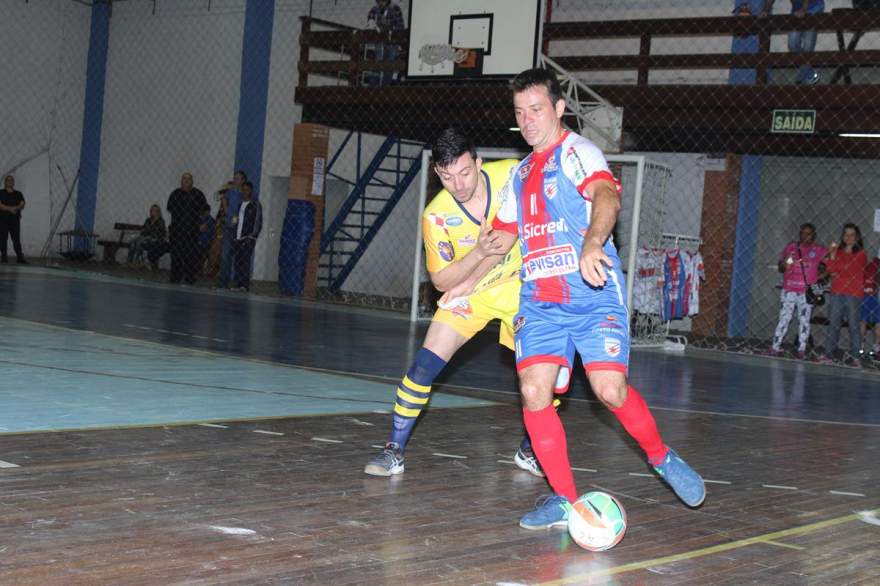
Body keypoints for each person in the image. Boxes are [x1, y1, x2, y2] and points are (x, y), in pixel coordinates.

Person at [447, 68, 706, 529]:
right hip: (541, 304)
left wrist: (592, 242)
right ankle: (565, 499)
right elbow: (500, 242)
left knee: (611, 391)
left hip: (592, 296)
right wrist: (464, 284)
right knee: (532, 392)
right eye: (519, 112)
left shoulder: (579, 152)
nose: (526, 120)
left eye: (536, 110)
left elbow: (606, 196)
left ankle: (661, 457)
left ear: (559, 108)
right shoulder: (521, 175)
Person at [364, 127, 558, 479]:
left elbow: (518, 231)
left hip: (523, 287)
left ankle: (529, 450)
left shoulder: (512, 174)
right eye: (448, 176)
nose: (459, 184)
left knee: (544, 378)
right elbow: (441, 282)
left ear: (479, 161)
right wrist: (478, 254)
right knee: (423, 365)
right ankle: (394, 448)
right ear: (438, 173)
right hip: (472, 294)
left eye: (466, 172)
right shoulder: (435, 216)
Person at [768, 223, 827, 358]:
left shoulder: (818, 250)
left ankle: (802, 349)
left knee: (804, 320)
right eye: (803, 233)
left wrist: (820, 278)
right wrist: (784, 265)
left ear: (814, 235)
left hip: (806, 291)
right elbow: (781, 267)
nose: (805, 236)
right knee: (784, 318)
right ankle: (775, 347)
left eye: (809, 233)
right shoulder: (791, 247)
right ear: (799, 233)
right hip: (789, 289)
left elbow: (830, 265)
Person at [819, 223, 867, 366]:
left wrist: (835, 265)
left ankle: (856, 356)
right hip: (837, 292)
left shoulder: (861, 254)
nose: (848, 237)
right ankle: (828, 353)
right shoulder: (837, 252)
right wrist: (833, 256)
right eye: (846, 234)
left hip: (853, 293)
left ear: (857, 237)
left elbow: (847, 269)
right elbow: (829, 269)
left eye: (852, 234)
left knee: (854, 326)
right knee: (834, 324)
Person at [761, 1, 825, 84]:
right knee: (792, 44)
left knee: (808, 46)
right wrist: (765, 10)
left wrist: (804, 9)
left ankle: (802, 80)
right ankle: (810, 75)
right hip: (797, 9)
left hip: (815, 5)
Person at [166, 172, 208, 285]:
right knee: (176, 255)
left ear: (192, 181)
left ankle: (189, 278)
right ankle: (175, 277)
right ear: (181, 181)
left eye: (189, 179)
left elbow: (204, 211)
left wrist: (203, 222)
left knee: (190, 255)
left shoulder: (198, 194)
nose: (186, 180)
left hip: (192, 230)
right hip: (177, 230)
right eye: (184, 178)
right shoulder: (175, 194)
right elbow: (170, 209)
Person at [230, 181, 262, 292]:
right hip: (237, 238)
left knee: (245, 261)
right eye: (243, 190)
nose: (245, 192)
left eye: (247, 190)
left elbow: (258, 222)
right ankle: (238, 284)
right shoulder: (239, 204)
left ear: (251, 191)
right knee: (238, 261)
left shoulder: (255, 205)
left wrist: (252, 236)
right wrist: (234, 232)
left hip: (248, 238)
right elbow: (235, 220)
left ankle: (244, 285)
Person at [217, 171, 246, 288]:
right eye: (234, 178)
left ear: (243, 180)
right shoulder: (231, 191)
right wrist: (227, 210)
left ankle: (240, 283)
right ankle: (223, 282)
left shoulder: (245, 193)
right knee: (225, 254)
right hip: (229, 226)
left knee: (240, 255)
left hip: (241, 228)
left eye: (238, 178)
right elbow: (223, 198)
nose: (235, 180)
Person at [366, 0, 404, 85]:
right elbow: (369, 24)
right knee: (377, 63)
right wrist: (373, 25)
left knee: (389, 65)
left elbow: (401, 29)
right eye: (378, 2)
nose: (380, 3)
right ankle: (374, 87)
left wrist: (388, 26)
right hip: (379, 43)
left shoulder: (396, 9)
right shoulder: (374, 10)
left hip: (392, 44)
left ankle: (385, 88)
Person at [127, 204, 167, 269]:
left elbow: (160, 233)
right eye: (152, 210)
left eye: (155, 210)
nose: (153, 212)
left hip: (152, 239)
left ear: (158, 212)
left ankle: (136, 261)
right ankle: (129, 261)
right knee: (132, 242)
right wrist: (145, 234)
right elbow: (143, 230)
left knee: (139, 243)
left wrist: (149, 235)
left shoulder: (161, 221)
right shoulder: (148, 220)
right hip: (144, 236)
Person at [0, 174, 27, 264]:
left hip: (15, 220)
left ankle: (20, 257)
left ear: (13, 182)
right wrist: (10, 209)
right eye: (8, 180)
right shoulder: (1, 192)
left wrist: (15, 208)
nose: (10, 181)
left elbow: (22, 204)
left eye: (12, 180)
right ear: (5, 182)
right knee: (3, 238)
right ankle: (4, 257)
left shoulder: (18, 193)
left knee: (16, 239)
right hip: (3, 220)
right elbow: (0, 205)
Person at [860, 248, 880, 359]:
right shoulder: (872, 265)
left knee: (863, 321)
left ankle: (860, 347)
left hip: (865, 295)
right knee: (878, 322)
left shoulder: (870, 264)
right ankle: (876, 349)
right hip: (873, 296)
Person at [197, 203, 216, 276]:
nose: (203, 214)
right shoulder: (197, 220)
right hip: (198, 242)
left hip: (207, 243)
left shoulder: (211, 221)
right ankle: (198, 270)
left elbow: (211, 235)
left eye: (205, 212)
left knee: (204, 251)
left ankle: (202, 270)